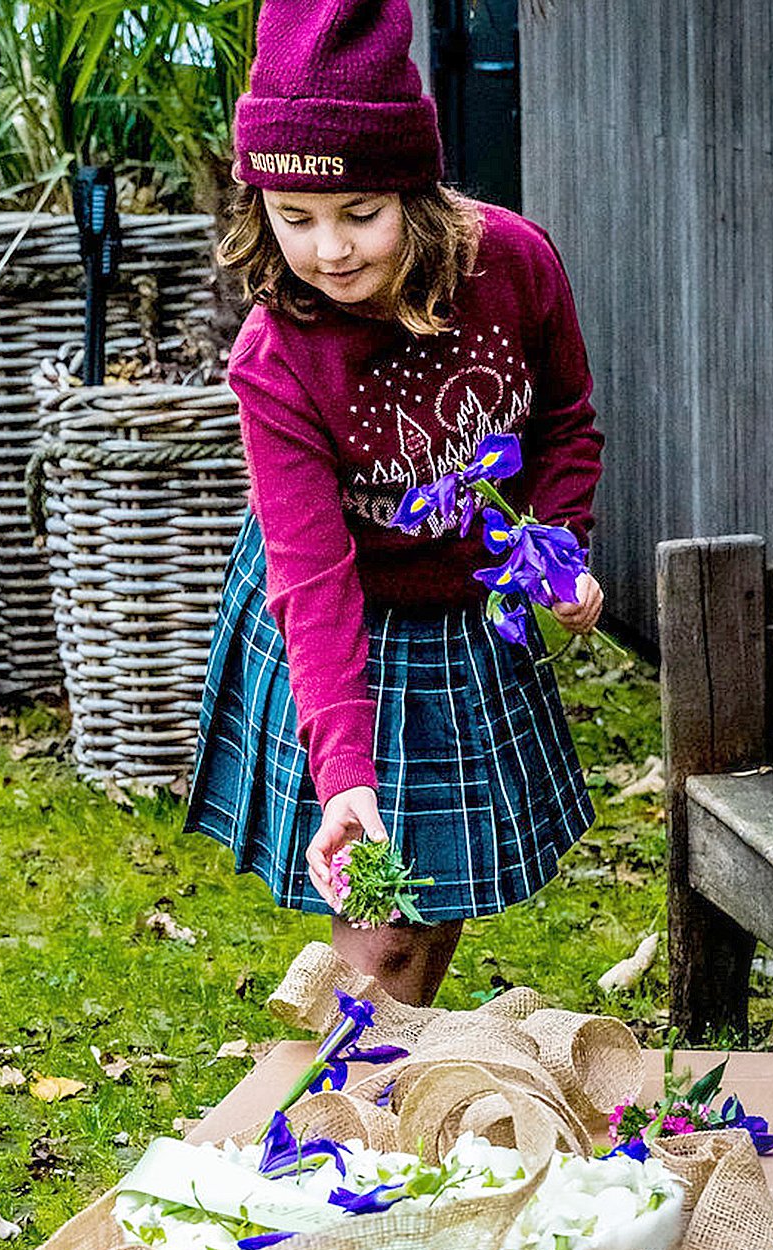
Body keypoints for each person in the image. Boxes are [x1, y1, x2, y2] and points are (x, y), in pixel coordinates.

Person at [184, 0, 605, 1007]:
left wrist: (554, 548)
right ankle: (345, 1121)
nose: (327, 250)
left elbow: (563, 424)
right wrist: (346, 777)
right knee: (373, 937)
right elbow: (313, 581)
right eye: (294, 218)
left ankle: (383, 1095)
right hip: (337, 610)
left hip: (457, 608)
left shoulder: (514, 266)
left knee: (423, 919)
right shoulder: (276, 361)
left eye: (357, 212)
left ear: (415, 193)